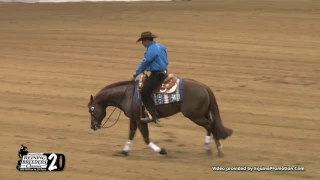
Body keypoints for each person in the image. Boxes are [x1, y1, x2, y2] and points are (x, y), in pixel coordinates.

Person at [130, 31, 169, 123]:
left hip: (157, 75)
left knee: (144, 92)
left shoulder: (151, 50)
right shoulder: (161, 47)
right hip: (164, 72)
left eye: (143, 42)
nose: (142, 44)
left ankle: (153, 115)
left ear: (147, 40)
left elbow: (145, 62)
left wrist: (135, 74)